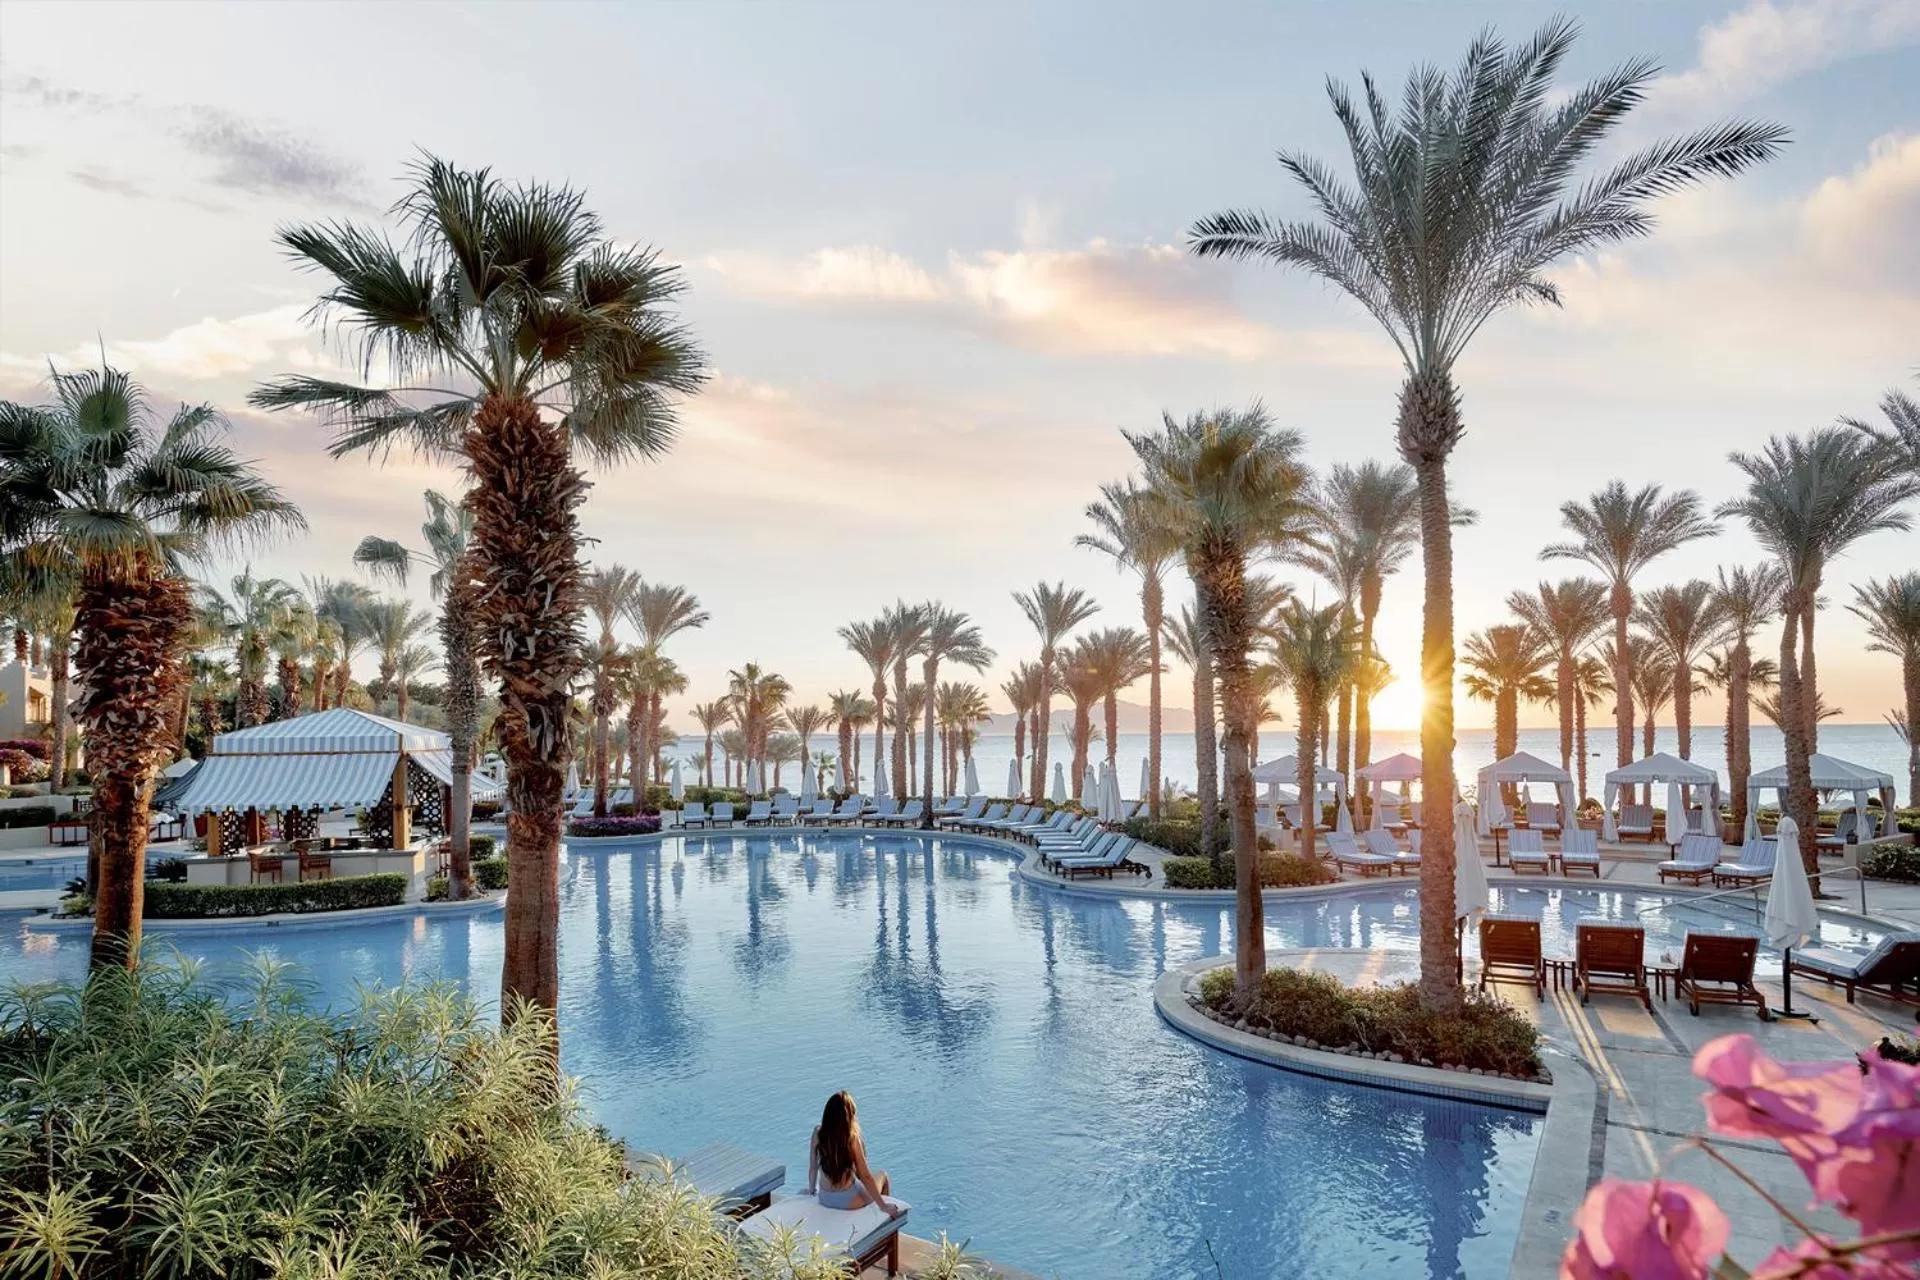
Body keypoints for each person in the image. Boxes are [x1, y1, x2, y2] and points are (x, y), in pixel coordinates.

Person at [804, 1090, 901, 1216]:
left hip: (825, 1198)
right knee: (883, 1176)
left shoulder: (818, 1133)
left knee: (857, 1180)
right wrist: (883, 1206)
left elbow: (813, 1167)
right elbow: (865, 1176)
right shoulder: (851, 1139)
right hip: (848, 1201)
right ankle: (883, 1220)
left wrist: (812, 1191)